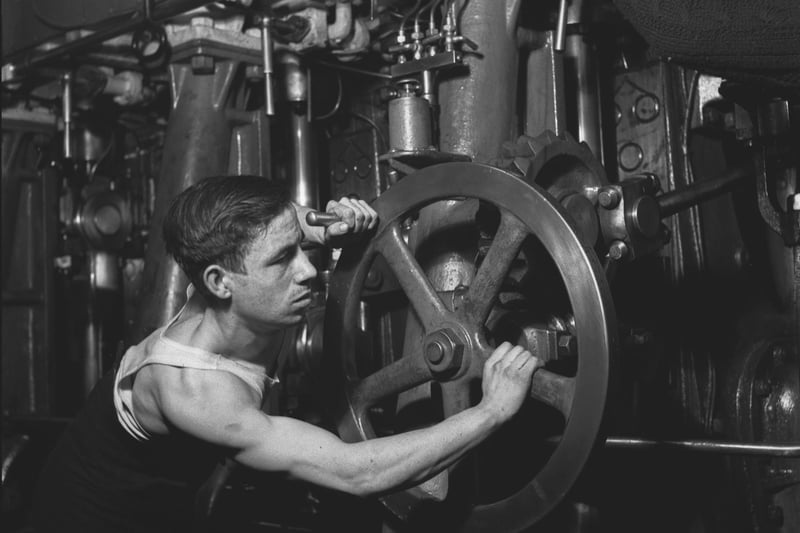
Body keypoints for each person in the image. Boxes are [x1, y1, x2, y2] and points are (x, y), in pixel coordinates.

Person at [32, 175, 541, 532]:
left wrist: (333, 222)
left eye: (301, 247)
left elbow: (288, 223)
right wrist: (491, 412)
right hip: (92, 517)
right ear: (218, 282)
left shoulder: (228, 256)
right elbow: (354, 472)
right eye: (282, 260)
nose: (307, 270)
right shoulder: (194, 390)